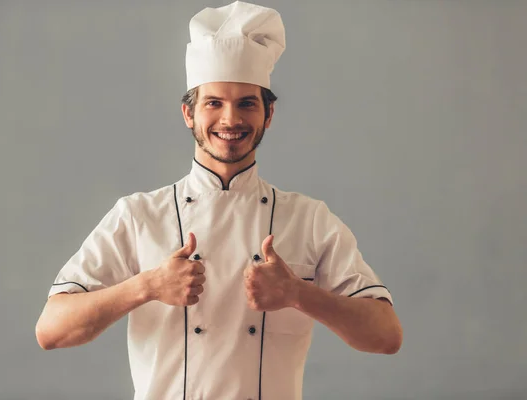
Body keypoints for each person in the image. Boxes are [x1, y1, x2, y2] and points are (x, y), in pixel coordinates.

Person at [35, 2, 403, 399]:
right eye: (214, 102)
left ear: (269, 114)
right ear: (188, 113)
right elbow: (52, 330)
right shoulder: (138, 215)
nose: (231, 120)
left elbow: (386, 335)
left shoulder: (309, 219)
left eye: (247, 103)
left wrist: (297, 294)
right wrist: (147, 286)